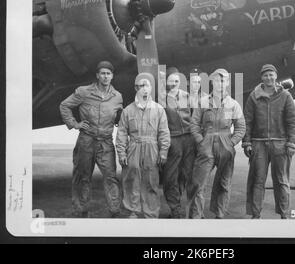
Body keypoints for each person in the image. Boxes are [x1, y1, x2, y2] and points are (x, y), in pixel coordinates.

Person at [60, 61, 123, 218]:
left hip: (106, 143)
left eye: (108, 73)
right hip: (86, 141)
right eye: (102, 73)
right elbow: (64, 106)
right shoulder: (84, 92)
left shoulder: (117, 97)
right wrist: (75, 124)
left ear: (112, 76)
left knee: (111, 178)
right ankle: (81, 211)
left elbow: (120, 116)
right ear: (97, 75)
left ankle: (114, 211)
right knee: (83, 176)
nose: (105, 76)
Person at [242, 64, 295, 219]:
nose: (269, 78)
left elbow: (293, 121)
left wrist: (292, 143)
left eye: (271, 75)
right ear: (262, 77)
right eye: (265, 75)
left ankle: (284, 215)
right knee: (257, 181)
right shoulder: (253, 96)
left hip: (280, 144)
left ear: (276, 76)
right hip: (258, 144)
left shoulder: (285, 96)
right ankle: (255, 215)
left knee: (281, 181)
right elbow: (247, 121)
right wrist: (246, 142)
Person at [188, 68, 246, 219]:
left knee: (224, 183)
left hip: (225, 146)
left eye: (222, 80)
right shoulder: (203, 102)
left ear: (227, 83)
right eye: (216, 80)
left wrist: (231, 142)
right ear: (211, 82)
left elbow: (241, 127)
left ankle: (220, 215)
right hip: (206, 145)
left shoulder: (234, 104)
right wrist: (201, 141)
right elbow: (194, 124)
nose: (219, 84)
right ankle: (196, 216)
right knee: (198, 183)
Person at [116, 76, 170, 218]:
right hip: (134, 147)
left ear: (151, 88)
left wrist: (163, 152)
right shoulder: (127, 110)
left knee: (152, 181)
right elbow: (121, 133)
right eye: (141, 86)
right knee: (131, 180)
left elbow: (164, 132)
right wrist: (121, 153)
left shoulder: (159, 110)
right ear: (136, 88)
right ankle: (132, 211)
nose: (145, 89)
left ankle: (150, 214)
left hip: (152, 148)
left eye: (147, 86)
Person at [161, 67, 196, 218]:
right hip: (172, 139)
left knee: (187, 174)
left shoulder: (188, 97)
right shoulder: (162, 99)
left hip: (189, 139)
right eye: (171, 81)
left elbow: (196, 118)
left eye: (176, 80)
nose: (174, 83)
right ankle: (174, 208)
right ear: (166, 83)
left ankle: (182, 206)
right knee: (170, 176)